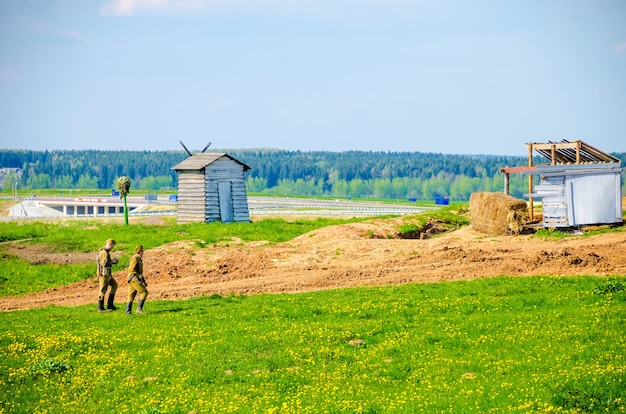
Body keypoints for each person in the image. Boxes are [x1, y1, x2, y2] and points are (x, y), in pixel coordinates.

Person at [96, 238, 119, 312]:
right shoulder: (104, 253)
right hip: (104, 274)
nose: (112, 248)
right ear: (109, 244)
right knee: (103, 290)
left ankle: (110, 304)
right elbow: (104, 264)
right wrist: (112, 262)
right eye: (112, 246)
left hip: (108, 273)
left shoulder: (106, 252)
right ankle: (101, 307)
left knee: (114, 285)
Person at [126, 245, 148, 315]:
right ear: (140, 251)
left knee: (131, 295)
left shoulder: (138, 258)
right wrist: (138, 276)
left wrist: (143, 280)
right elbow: (131, 269)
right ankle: (139, 309)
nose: (143, 252)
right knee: (144, 292)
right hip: (133, 278)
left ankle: (128, 312)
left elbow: (140, 271)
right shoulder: (135, 258)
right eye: (143, 251)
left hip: (133, 278)